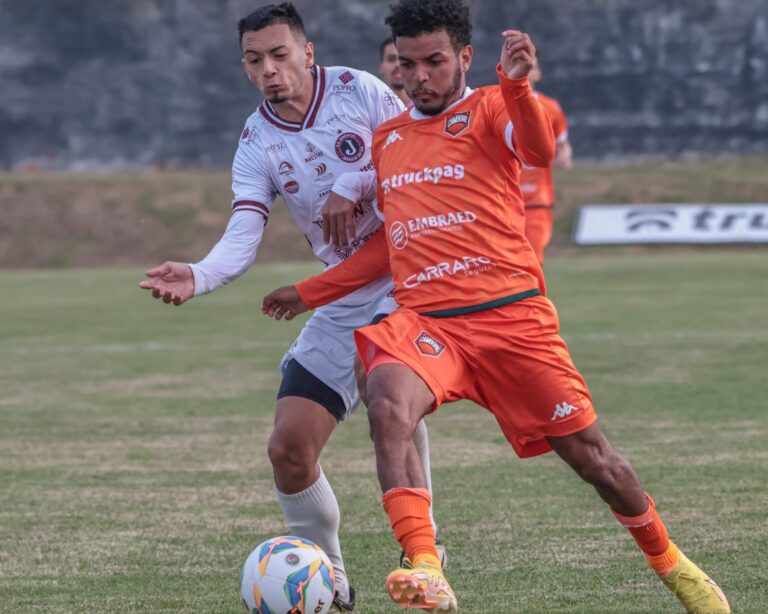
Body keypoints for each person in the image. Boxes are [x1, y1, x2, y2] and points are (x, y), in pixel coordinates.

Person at [260, 1, 731, 612]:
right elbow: (388, 246)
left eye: (434, 62)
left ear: (464, 57)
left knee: (596, 462)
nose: (419, 77)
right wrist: (310, 292)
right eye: (407, 64)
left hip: (511, 320)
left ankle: (674, 566)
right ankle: (425, 564)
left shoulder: (490, 107)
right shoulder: (389, 138)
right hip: (429, 324)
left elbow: (537, 150)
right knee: (386, 398)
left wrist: (517, 85)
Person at [137, 3, 442, 611]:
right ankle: (332, 583)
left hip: (408, 281)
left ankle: (424, 557)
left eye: (279, 55)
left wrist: (351, 183)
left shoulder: (359, 90)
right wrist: (200, 274)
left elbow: (416, 157)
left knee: (384, 390)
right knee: (289, 449)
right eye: (254, 60)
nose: (269, 70)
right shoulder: (256, 141)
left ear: (308, 52)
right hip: (341, 296)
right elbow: (243, 231)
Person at [520, 55, 572, 264]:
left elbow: (562, 145)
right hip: (502, 203)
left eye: (531, 67)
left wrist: (564, 157)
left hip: (536, 201)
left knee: (533, 262)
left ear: (538, 73)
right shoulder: (493, 104)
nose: (526, 71)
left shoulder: (550, 107)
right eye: (520, 65)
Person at [379, 37, 411, 105]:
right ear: (381, 66)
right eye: (391, 59)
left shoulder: (427, 108)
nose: (398, 64)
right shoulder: (371, 108)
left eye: (403, 59)